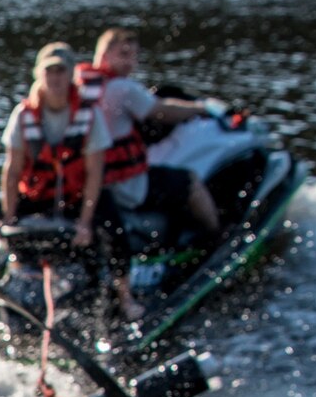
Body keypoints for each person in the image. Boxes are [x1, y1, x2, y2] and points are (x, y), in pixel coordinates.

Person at [0, 41, 142, 322]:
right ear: (40, 75)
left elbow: (94, 173)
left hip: (76, 197)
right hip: (37, 195)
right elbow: (12, 171)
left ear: (71, 74)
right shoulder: (23, 115)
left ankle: (125, 296)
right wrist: (10, 215)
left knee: (114, 228)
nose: (56, 78)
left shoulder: (89, 114)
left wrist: (85, 222)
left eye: (62, 71)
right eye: (50, 72)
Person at [82, 25, 221, 242]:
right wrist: (201, 108)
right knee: (189, 182)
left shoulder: (80, 85)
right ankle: (217, 240)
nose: (129, 62)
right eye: (123, 54)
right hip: (125, 187)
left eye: (134, 56)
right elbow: (161, 111)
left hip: (94, 182)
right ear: (103, 54)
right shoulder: (122, 88)